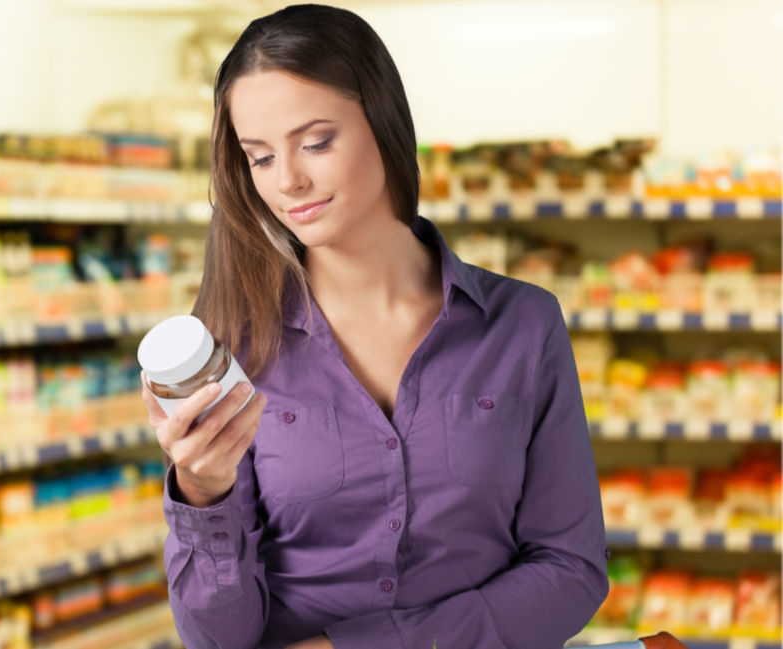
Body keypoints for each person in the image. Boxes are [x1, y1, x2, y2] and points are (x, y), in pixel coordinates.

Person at [139, 5, 614, 649]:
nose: (289, 181)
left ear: (383, 121)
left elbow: (571, 569)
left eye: (315, 142)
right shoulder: (234, 348)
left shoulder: (522, 326)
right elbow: (218, 641)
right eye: (259, 157)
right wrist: (201, 492)